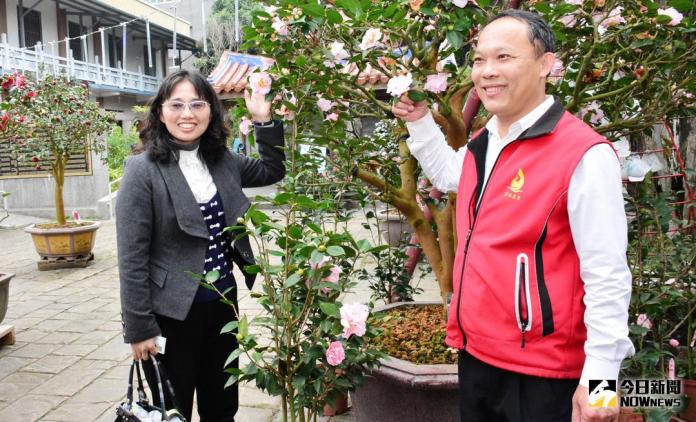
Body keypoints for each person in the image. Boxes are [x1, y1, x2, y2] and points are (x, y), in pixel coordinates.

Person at [392, 10, 633, 422]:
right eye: (480, 60)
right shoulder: (489, 139)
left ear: (545, 65)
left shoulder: (584, 155)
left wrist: (602, 384)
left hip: (544, 371)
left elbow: (608, 274)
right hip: (476, 355)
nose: (487, 72)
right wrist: (420, 125)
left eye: (504, 57)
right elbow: (454, 175)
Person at [116, 69, 285, 421]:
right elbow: (131, 258)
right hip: (169, 315)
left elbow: (272, 170)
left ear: (211, 110)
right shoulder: (142, 170)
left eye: (197, 103)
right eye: (176, 104)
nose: (187, 114)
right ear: (160, 112)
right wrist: (139, 328)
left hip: (223, 306)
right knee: (171, 410)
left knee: (222, 407)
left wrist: (262, 119)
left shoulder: (222, 161)